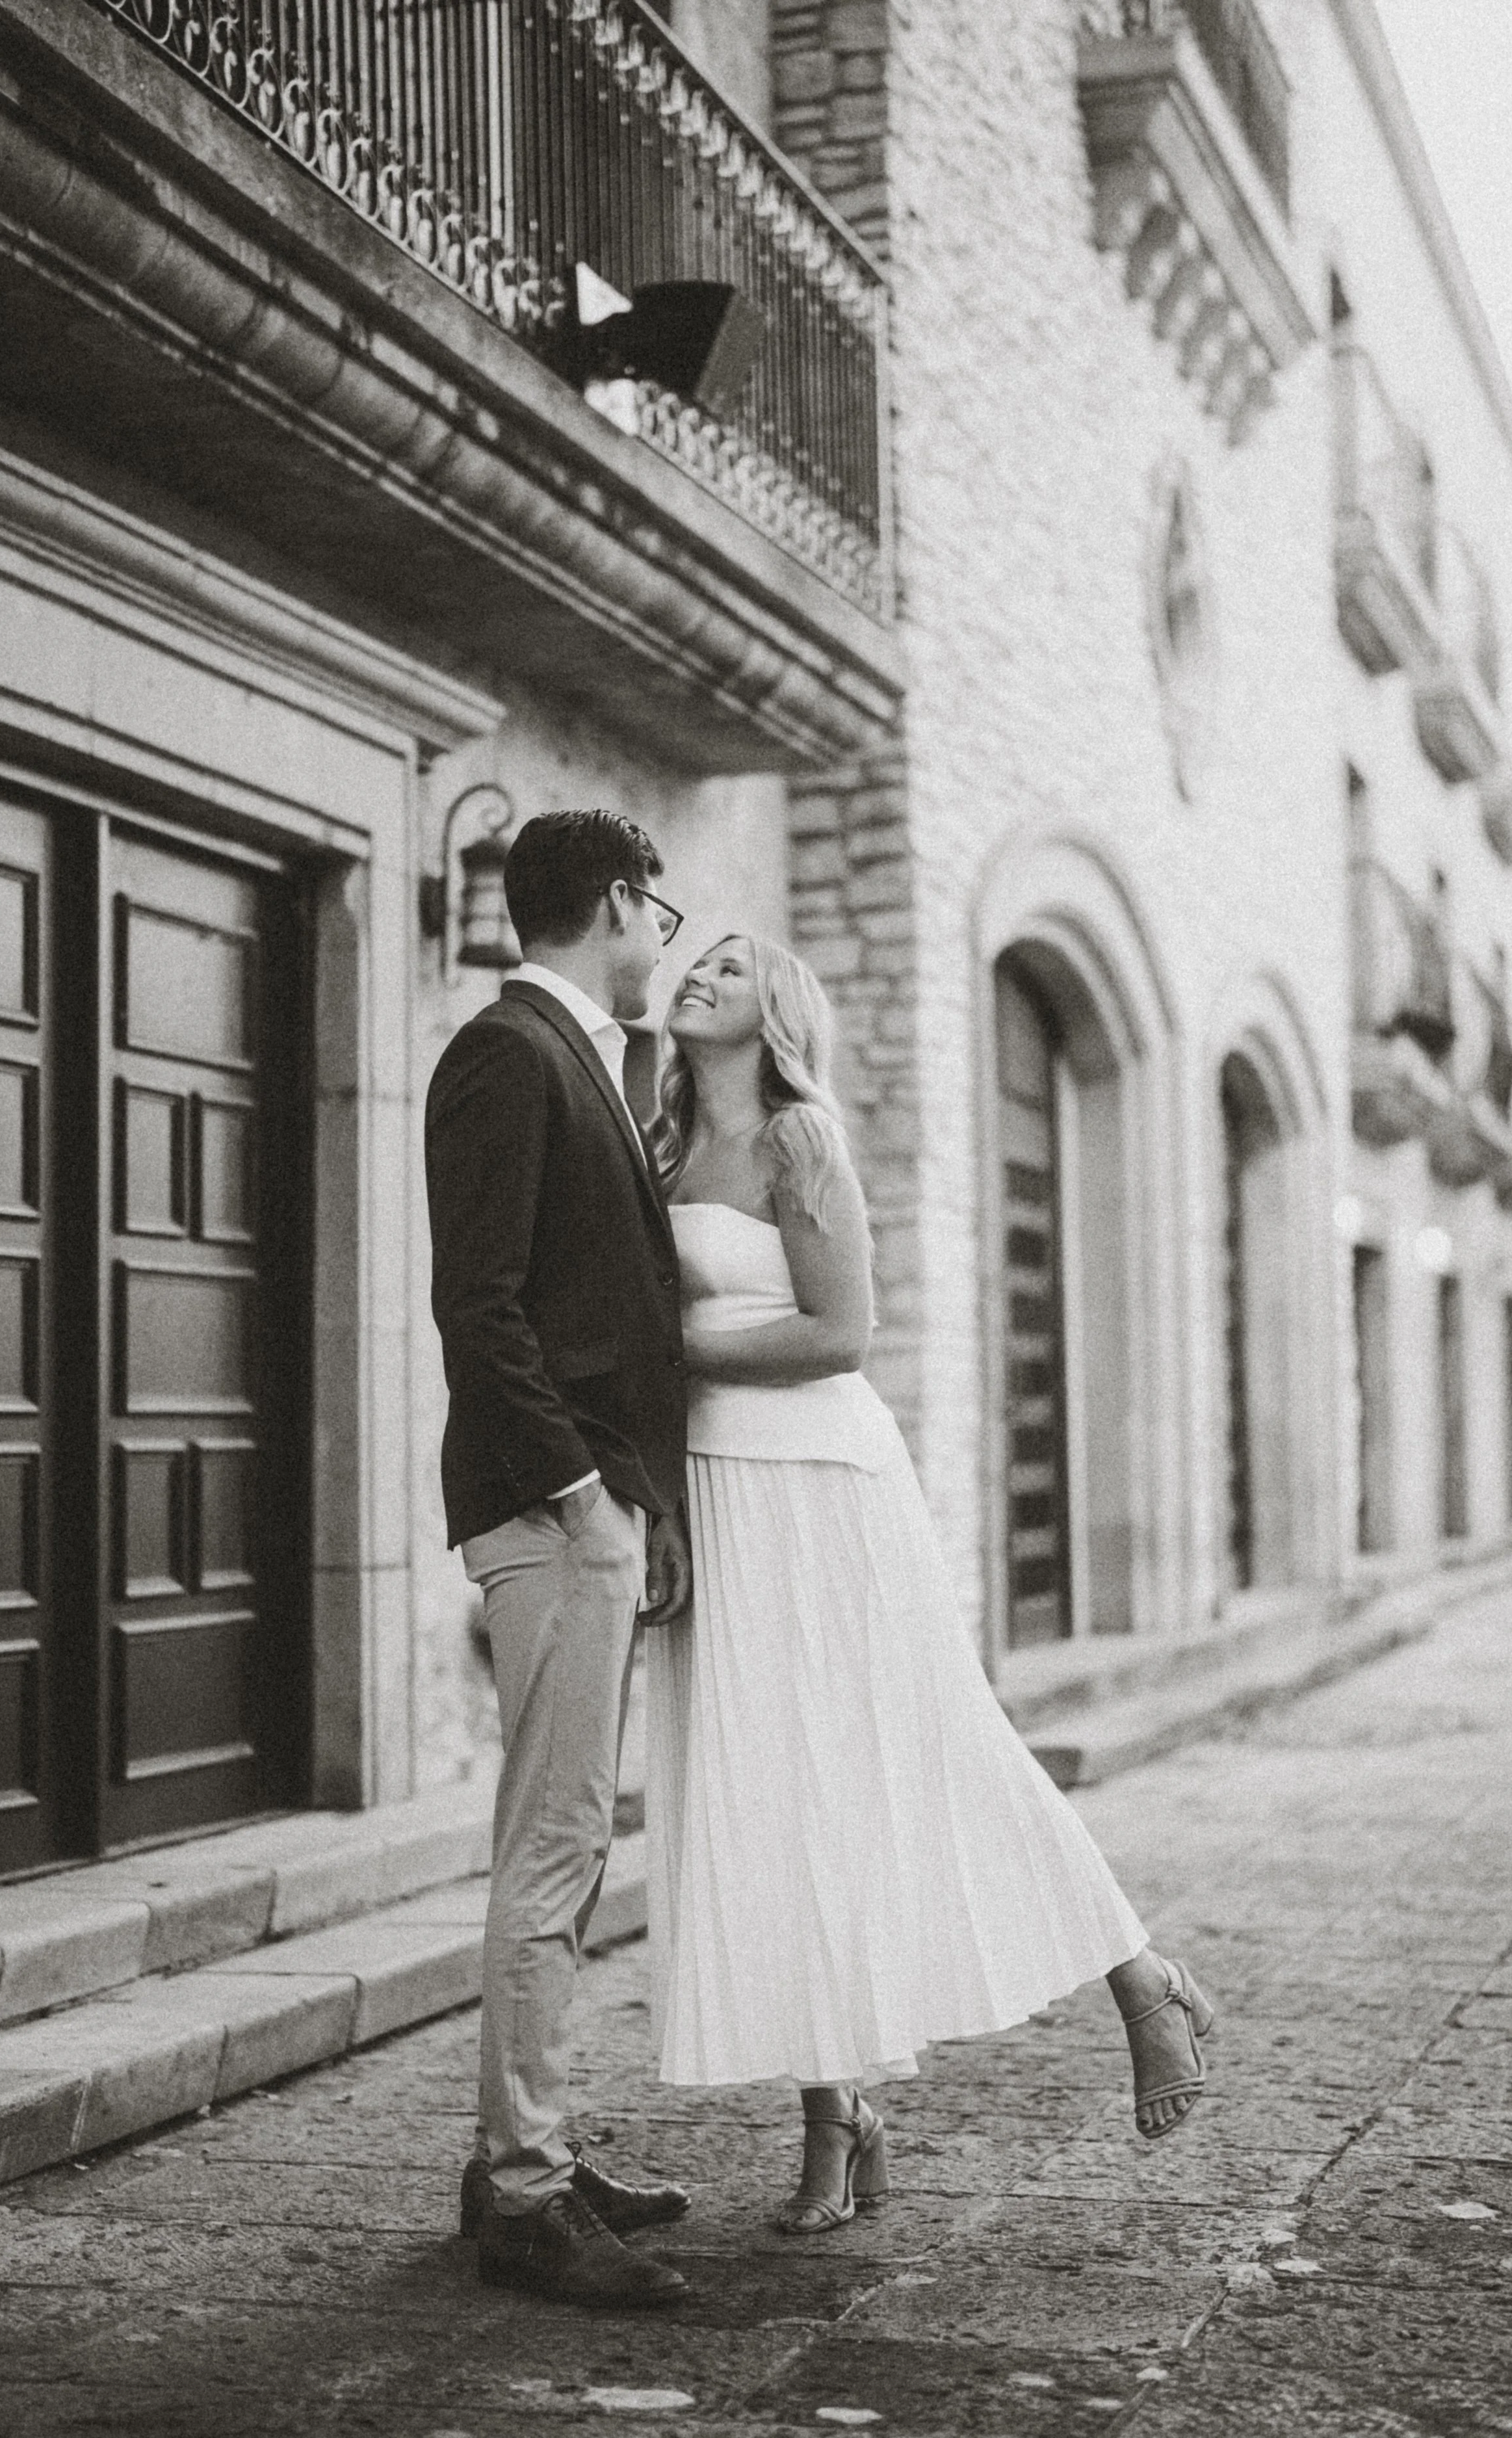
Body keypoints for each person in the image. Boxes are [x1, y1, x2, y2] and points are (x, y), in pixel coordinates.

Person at [644, 933, 1215, 2234]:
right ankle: (835, 2114)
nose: (700, 971)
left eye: (730, 967)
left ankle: (1138, 1975)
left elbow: (841, 1331)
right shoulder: (661, 1144)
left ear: (774, 1011)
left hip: (825, 1486)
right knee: (768, 1799)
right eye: (697, 958)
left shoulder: (798, 1142)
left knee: (931, 1746)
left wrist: (670, 1341)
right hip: (715, 1491)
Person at [424, 809, 696, 2309]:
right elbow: (482, 1305)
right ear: (615, 901)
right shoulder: (508, 1051)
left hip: (592, 1507)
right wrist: (589, 1497)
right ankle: (524, 2198)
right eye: (658, 909)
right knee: (553, 1844)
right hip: (550, 1512)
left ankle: (521, 2149)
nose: (664, 935)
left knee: (574, 1844)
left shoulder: (581, 1055)